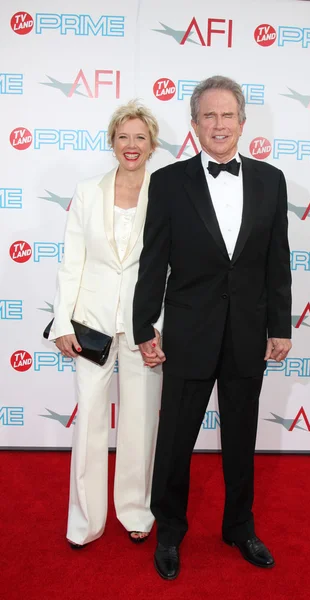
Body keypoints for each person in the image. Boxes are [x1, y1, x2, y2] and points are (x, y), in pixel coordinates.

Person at [133, 75, 292, 579]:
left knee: (241, 439)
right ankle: (170, 531)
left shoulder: (271, 180)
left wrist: (280, 324)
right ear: (195, 125)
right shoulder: (168, 181)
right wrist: (143, 325)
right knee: (176, 441)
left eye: (228, 115)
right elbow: (153, 260)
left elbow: (276, 261)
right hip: (188, 331)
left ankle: (239, 527)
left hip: (247, 332)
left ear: (242, 123)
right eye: (209, 116)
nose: (219, 124)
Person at [48, 100, 163, 548]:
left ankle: (136, 509)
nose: (131, 145)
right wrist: (62, 321)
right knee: (90, 420)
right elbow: (71, 259)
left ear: (152, 144)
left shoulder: (168, 192)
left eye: (139, 137)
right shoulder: (87, 191)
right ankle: (85, 521)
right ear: (112, 142)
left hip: (145, 325)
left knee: (139, 421)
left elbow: (172, 267)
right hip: (90, 324)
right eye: (123, 137)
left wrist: (160, 325)